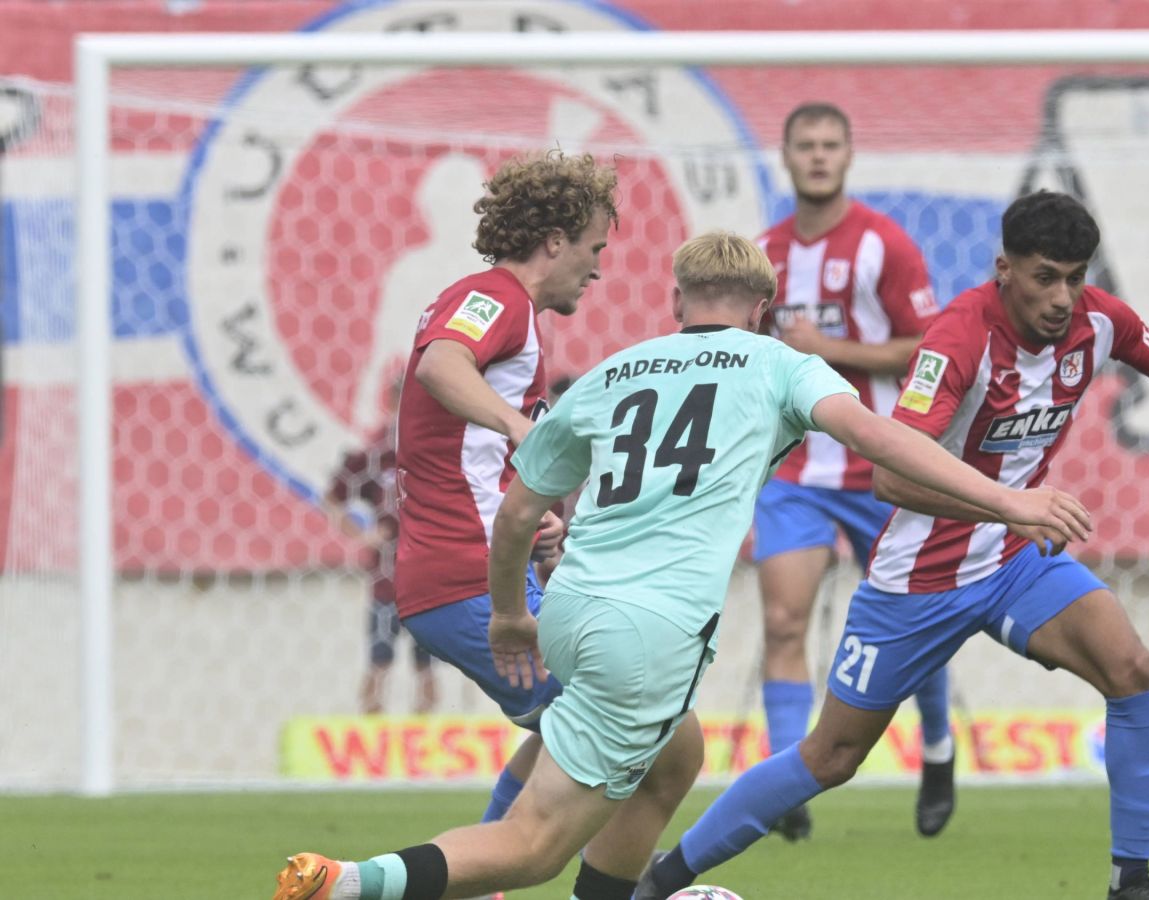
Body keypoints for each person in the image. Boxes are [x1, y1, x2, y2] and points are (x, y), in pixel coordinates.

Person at [272, 231, 1090, 900]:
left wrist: (512, 611)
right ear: (764, 310)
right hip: (649, 633)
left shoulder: (614, 370)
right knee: (533, 846)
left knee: (676, 758)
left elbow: (522, 507)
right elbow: (880, 438)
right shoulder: (778, 365)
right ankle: (347, 885)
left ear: (675, 303)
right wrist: (1009, 499)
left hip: (571, 608)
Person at [636, 192, 1149, 900]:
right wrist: (1008, 507)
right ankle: (662, 878)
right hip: (919, 579)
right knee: (831, 754)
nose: (1063, 296)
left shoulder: (1100, 322)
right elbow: (890, 475)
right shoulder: (959, 340)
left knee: (1130, 667)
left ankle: (1132, 880)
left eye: (1075, 276)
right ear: (1004, 268)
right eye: (1044, 277)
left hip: (1012, 561)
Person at [311, 149, 698, 900]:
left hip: (469, 571)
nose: (596, 270)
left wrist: (533, 513)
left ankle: (466, 884)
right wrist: (527, 431)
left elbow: (464, 452)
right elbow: (440, 365)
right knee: (660, 737)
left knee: (590, 733)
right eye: (593, 250)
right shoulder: (495, 299)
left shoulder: (506, 309)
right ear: (554, 241)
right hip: (466, 580)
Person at [753, 101, 954, 839]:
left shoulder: (883, 244)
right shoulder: (762, 254)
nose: (817, 155)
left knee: (918, 621)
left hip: (880, 467)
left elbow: (928, 347)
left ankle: (938, 749)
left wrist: (827, 351)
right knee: (782, 620)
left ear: (848, 154)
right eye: (804, 143)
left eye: (830, 143)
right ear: (785, 154)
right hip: (797, 472)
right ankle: (781, 788)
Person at [322, 374, 437, 715]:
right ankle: (372, 733)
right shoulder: (378, 453)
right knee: (379, 660)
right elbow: (334, 496)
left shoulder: (435, 451)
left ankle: (423, 734)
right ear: (389, 403)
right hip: (387, 579)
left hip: (428, 577)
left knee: (426, 665)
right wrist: (363, 534)